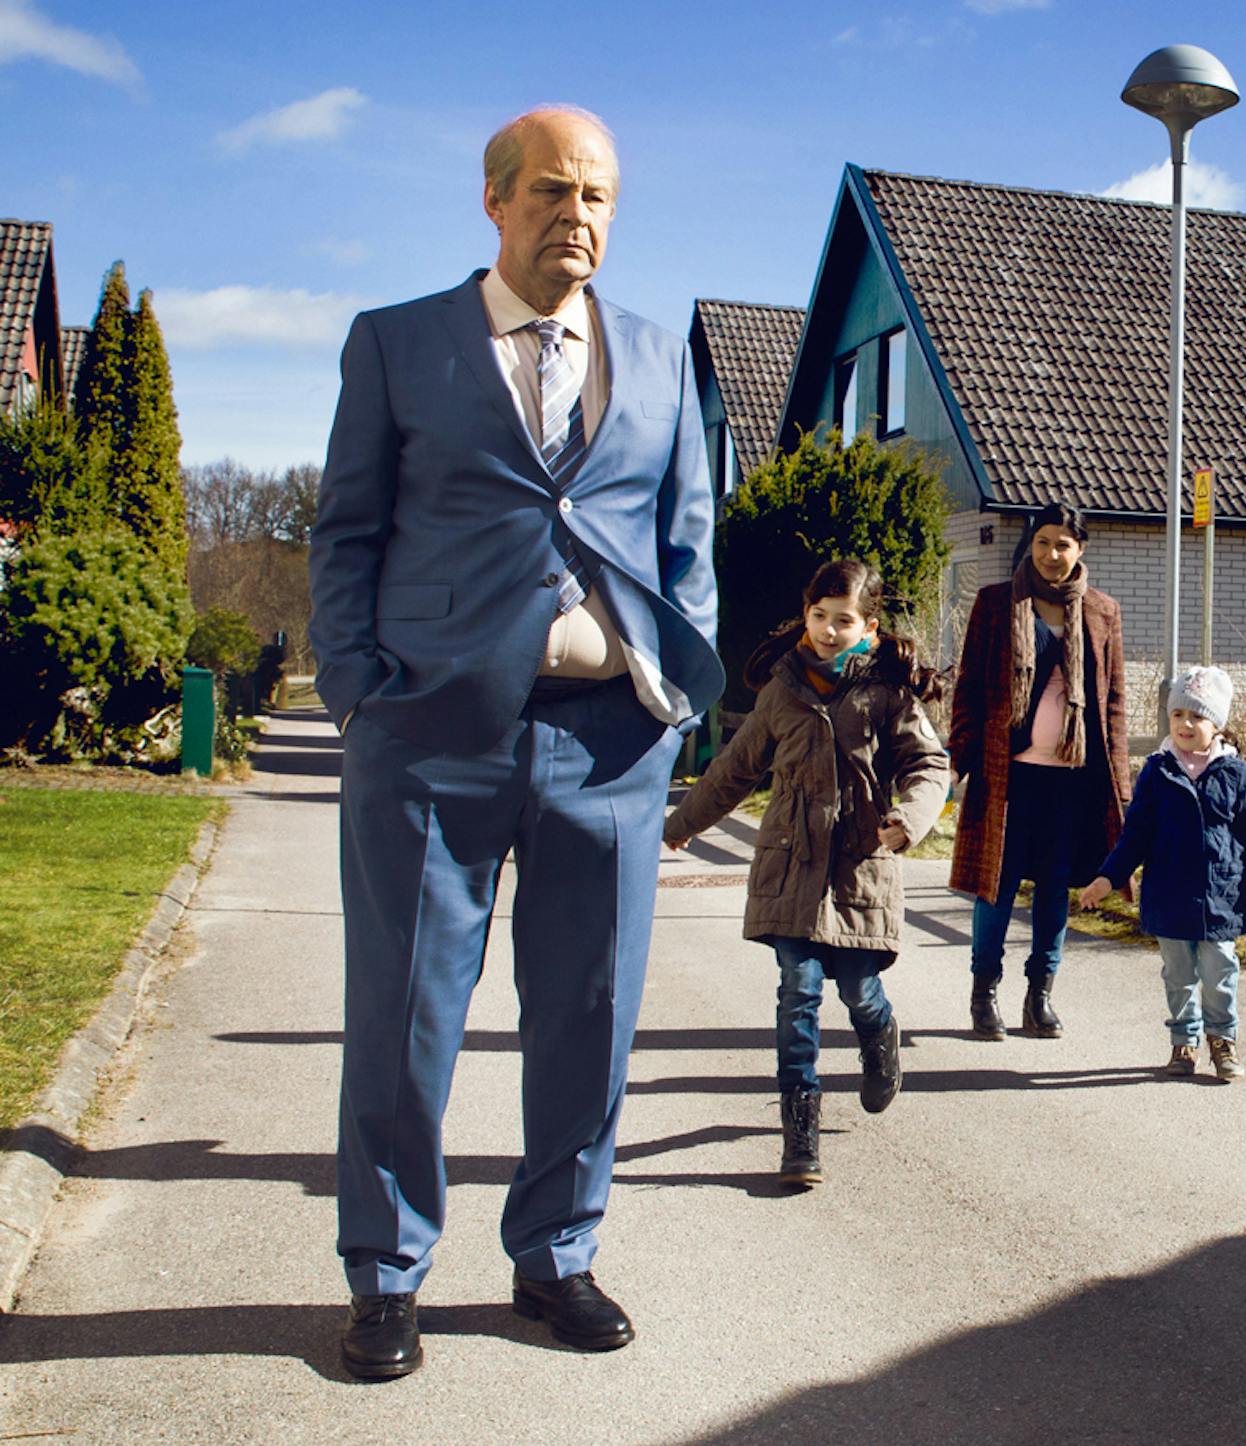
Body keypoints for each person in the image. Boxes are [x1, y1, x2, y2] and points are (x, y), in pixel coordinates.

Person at [308, 106, 726, 1380]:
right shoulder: (395, 346)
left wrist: (671, 703)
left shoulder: (661, 359)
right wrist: (357, 690)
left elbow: (689, 549)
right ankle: (387, 1275)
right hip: (428, 735)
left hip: (607, 749)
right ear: (494, 201)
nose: (577, 216)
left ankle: (555, 1254)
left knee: (591, 1016)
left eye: (598, 195)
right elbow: (346, 534)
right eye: (552, 191)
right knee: (405, 1016)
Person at [663, 560, 949, 1187]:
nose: (827, 629)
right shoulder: (782, 690)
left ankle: (880, 1033)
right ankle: (801, 1136)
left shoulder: (886, 694)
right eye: (819, 616)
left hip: (858, 871)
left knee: (858, 993)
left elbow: (930, 764)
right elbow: (735, 769)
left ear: (869, 626)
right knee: (798, 996)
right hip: (791, 867)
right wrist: (681, 823)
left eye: (842, 620)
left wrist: (911, 818)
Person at [947, 501, 1129, 1040]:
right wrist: (963, 757)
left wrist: (1120, 783)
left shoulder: (1102, 611)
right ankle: (985, 992)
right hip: (1008, 777)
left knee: (1053, 889)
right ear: (1031, 545)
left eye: (1064, 544)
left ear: (1081, 550)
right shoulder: (997, 603)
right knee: (995, 887)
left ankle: (1039, 995)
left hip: (1072, 779)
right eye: (1044, 542)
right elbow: (969, 689)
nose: (1053, 554)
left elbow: (1114, 703)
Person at [1077, 666, 1246, 1082]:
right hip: (1169, 895)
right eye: (1178, 716)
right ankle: (1183, 1042)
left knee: (1220, 969)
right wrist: (1107, 878)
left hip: (1220, 897)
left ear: (1217, 724)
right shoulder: (1158, 772)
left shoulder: (1237, 775)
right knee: (1179, 975)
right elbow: (1134, 834)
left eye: (1197, 717)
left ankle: (1222, 1041)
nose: (1186, 725)